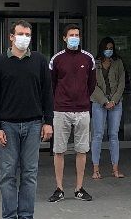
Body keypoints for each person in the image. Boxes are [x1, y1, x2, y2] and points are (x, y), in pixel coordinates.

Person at [0, 20, 54, 219]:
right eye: (20, 33)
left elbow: (47, 94)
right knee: (7, 174)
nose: (24, 37)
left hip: (34, 124)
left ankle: (25, 218)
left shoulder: (40, 61)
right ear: (11, 37)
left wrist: (48, 122)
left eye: (28, 34)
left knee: (30, 173)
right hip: (7, 126)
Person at [49, 24, 96, 203]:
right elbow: (51, 85)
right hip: (61, 110)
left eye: (77, 34)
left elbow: (91, 84)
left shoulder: (88, 58)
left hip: (83, 110)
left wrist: (82, 99)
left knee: (82, 150)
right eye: (71, 35)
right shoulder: (57, 59)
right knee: (59, 150)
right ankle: (59, 188)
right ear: (64, 38)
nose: (74, 37)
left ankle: (79, 188)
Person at [90, 36, 126, 180]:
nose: (109, 51)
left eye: (111, 48)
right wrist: (105, 101)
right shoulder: (94, 63)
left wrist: (114, 100)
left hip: (116, 103)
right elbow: (92, 84)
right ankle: (96, 170)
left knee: (114, 135)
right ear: (101, 48)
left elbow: (121, 83)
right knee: (98, 135)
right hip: (99, 102)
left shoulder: (118, 62)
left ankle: (115, 169)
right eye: (106, 48)